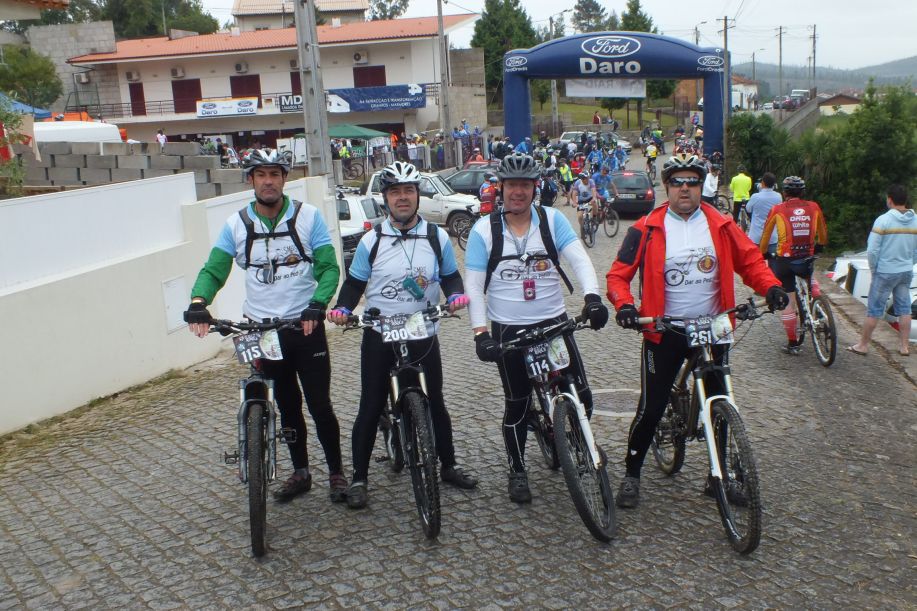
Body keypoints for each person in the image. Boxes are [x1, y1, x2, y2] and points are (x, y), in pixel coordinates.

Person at [607, 153, 788, 509]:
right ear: (667, 187)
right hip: (666, 330)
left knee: (719, 402)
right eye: (678, 182)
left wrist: (771, 287)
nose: (685, 188)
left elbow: (750, 260)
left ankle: (719, 476)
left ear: (701, 186)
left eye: (692, 181)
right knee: (653, 406)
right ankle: (632, 472)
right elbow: (618, 275)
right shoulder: (645, 227)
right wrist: (625, 305)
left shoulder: (721, 224)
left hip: (714, 326)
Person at [183, 149, 347, 504]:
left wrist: (317, 304)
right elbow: (215, 269)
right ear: (251, 181)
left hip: (304, 326)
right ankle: (300, 471)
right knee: (287, 404)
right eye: (261, 175)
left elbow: (328, 267)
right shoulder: (237, 225)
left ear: (284, 179)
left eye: (275, 174)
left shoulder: (309, 217)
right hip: (262, 331)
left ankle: (336, 473)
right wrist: (199, 302)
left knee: (320, 405)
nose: (268, 181)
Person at [326, 161, 478, 509]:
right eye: (395, 192)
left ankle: (449, 465)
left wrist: (455, 295)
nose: (403, 198)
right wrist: (343, 309)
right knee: (370, 404)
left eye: (409, 190)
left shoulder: (436, 236)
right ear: (386, 199)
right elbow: (354, 284)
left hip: (423, 329)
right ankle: (360, 478)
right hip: (380, 333)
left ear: (417, 195)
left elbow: (451, 276)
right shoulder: (372, 240)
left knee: (435, 401)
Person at [464, 153, 609, 503]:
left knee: (582, 397)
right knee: (516, 406)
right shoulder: (484, 230)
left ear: (534, 188)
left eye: (525, 185)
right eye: (511, 185)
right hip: (509, 331)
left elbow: (580, 260)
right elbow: (473, 285)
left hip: (553, 325)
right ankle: (517, 468)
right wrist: (480, 333)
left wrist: (592, 298)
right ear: (501, 188)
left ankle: (567, 432)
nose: (518, 192)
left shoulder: (552, 220)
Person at [758, 176, 828, 355]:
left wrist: (764, 252)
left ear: (784, 193)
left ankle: (793, 343)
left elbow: (766, 235)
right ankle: (819, 309)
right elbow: (823, 233)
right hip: (806, 258)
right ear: (803, 192)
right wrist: (819, 245)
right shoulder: (814, 207)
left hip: (785, 260)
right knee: (810, 278)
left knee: (788, 298)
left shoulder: (778, 209)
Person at [848, 184, 916, 357]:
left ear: (890, 200)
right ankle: (904, 347)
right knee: (904, 308)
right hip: (906, 270)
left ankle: (863, 345)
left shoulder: (883, 220)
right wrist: (910, 262)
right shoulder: (915, 220)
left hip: (885, 271)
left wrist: (874, 269)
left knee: (874, 309)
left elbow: (872, 250)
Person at [745, 172, 782, 263]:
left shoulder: (756, 196)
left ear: (763, 183)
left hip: (756, 236)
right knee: (773, 265)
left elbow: (748, 209)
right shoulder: (778, 196)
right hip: (772, 237)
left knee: (755, 264)